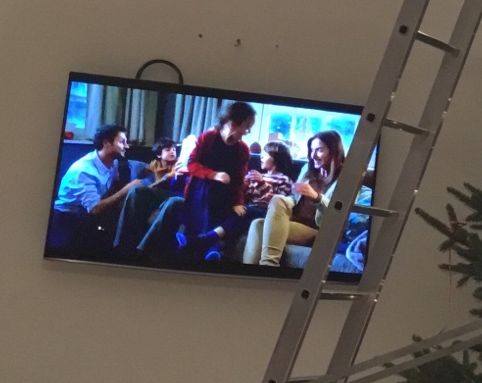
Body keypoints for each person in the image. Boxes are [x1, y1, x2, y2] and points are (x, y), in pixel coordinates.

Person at [138, 102, 256, 256]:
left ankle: (201, 245)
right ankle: (211, 249)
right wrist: (214, 175)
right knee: (208, 188)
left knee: (241, 212)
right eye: (247, 127)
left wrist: (238, 202)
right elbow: (192, 164)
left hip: (224, 196)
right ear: (234, 124)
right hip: (200, 190)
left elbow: (239, 180)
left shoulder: (243, 150)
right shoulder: (208, 138)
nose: (248, 131)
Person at [241, 130, 344, 268]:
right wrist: (286, 201)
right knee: (259, 222)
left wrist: (317, 197)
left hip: (317, 229)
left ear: (333, 151)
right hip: (293, 219)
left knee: (260, 225)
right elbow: (294, 197)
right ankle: (251, 275)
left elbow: (339, 214)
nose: (313, 156)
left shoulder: (345, 178)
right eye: (312, 150)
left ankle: (268, 266)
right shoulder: (308, 169)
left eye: (319, 150)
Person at [48, 123, 139, 253]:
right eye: (122, 142)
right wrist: (128, 188)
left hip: (88, 216)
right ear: (107, 143)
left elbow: (135, 165)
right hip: (68, 219)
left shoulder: (113, 162)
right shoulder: (84, 171)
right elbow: (95, 209)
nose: (127, 146)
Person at [113, 137, 181, 250]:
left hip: (171, 193)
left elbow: (168, 180)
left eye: (174, 149)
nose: (172, 152)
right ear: (159, 154)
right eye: (168, 150)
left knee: (140, 192)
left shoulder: (178, 164)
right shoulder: (154, 165)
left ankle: (139, 250)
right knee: (135, 191)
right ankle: (120, 245)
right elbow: (142, 177)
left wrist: (158, 183)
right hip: (156, 194)